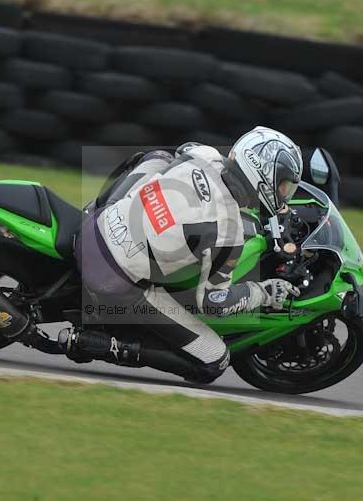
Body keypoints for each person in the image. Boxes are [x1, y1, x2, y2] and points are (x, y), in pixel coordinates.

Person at [69, 126, 304, 383]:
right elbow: (214, 303)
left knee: (157, 157)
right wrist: (264, 292)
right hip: (112, 280)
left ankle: (94, 205)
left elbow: (184, 149)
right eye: (283, 186)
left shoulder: (205, 154)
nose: (284, 196)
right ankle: (99, 344)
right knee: (215, 360)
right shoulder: (229, 233)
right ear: (263, 175)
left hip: (96, 224)